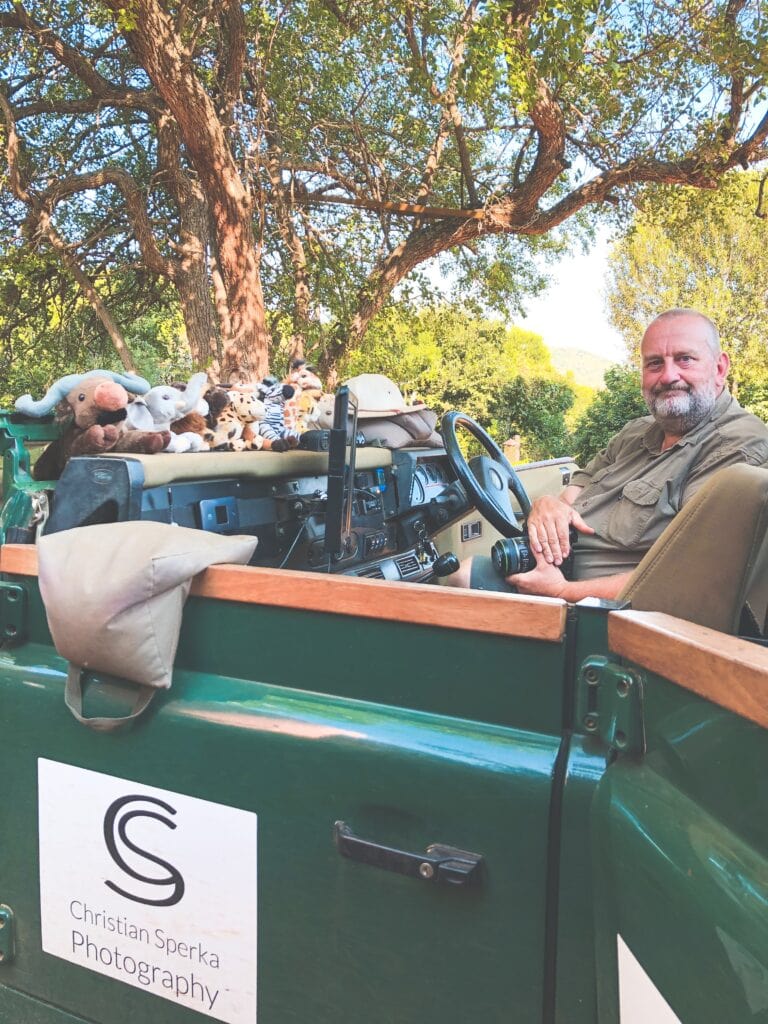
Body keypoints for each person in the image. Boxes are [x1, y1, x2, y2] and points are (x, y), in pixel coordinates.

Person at [448, 309, 768, 601]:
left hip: (611, 616)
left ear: (720, 367)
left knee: (460, 579)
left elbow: (690, 581)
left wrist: (563, 591)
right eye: (654, 363)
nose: (668, 376)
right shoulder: (637, 432)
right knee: (457, 574)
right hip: (558, 574)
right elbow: (573, 494)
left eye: (685, 359)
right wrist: (547, 506)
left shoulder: (737, 447)